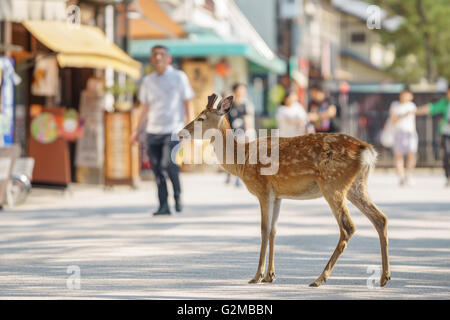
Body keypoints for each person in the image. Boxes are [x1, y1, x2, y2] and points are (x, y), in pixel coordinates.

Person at [131, 45, 194, 215]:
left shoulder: (179, 77)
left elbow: (188, 102)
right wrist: (137, 131)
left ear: (169, 58)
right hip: (153, 131)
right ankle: (163, 205)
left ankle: (177, 195)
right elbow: (144, 108)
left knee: (170, 165)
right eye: (154, 55)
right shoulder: (148, 81)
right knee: (157, 168)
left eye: (161, 54)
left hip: (173, 129)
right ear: (151, 59)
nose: (158, 57)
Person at [416, 86, 450, 187]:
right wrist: (415, 111)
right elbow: (432, 108)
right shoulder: (444, 102)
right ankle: (448, 177)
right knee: (447, 153)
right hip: (446, 132)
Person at [225, 83, 255, 187]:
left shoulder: (246, 104)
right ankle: (229, 174)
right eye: (239, 90)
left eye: (243, 90)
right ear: (235, 91)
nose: (241, 92)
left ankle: (238, 178)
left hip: (241, 133)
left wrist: (248, 133)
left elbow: (248, 120)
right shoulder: (229, 104)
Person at [388, 88, 418, 186]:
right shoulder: (395, 105)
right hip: (398, 132)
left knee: (412, 154)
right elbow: (392, 119)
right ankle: (401, 176)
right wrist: (402, 115)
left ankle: (409, 175)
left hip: (410, 133)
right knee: (398, 155)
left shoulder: (412, 106)